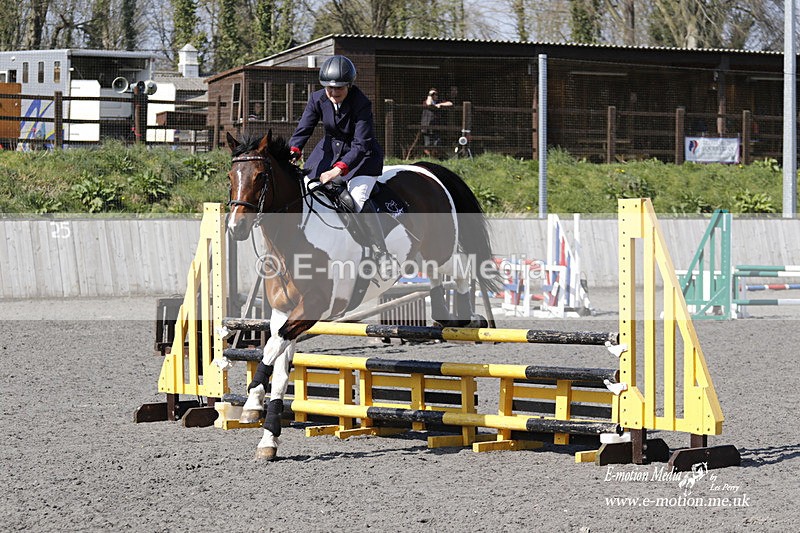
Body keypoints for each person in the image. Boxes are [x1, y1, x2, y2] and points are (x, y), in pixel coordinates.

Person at [288, 55, 390, 261]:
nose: (334, 93)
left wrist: (337, 170)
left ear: (349, 86)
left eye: (339, 88)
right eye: (329, 88)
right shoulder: (317, 98)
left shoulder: (361, 103)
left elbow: (361, 144)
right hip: (328, 153)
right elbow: (304, 128)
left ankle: (380, 251)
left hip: (362, 157)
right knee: (305, 190)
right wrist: (294, 150)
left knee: (357, 199)